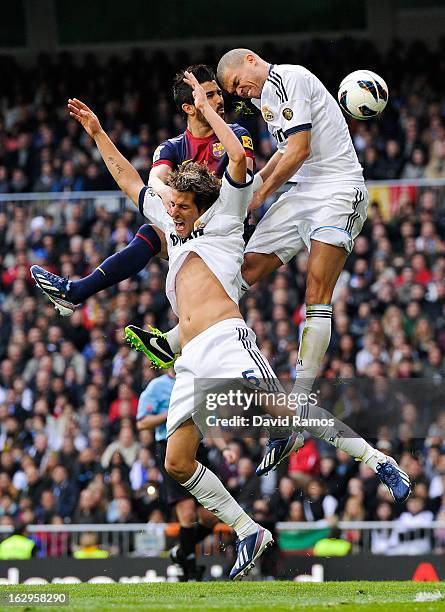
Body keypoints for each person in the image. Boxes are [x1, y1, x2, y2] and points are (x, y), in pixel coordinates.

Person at [66, 72, 410, 576]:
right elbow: (132, 183)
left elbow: (238, 158)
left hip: (228, 341)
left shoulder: (224, 217)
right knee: (176, 463)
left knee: (287, 415)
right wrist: (98, 133)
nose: (174, 216)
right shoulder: (171, 220)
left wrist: (208, 111)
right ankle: (250, 531)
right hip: (190, 360)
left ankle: (378, 460)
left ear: (202, 204)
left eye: (181, 208)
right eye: (173, 209)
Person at [126, 48, 370, 477]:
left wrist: (256, 193)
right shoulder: (265, 99)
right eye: (236, 91)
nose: (241, 94)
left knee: (316, 289)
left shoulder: (289, 78)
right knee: (242, 271)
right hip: (301, 194)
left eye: (240, 85)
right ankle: (176, 338)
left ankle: (299, 397)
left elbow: (298, 149)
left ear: (253, 61)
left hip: (337, 190)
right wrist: (257, 187)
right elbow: (282, 157)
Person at [30, 64, 254, 331]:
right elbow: (140, 182)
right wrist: (99, 135)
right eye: (208, 96)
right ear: (188, 107)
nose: (218, 100)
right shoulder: (172, 149)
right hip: (190, 232)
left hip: (225, 232)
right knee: (152, 233)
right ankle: (77, 292)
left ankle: (171, 339)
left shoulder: (236, 135)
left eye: (217, 94)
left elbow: (241, 173)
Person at [137, 369, 219, 581]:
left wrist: (224, 446)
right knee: (187, 511)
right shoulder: (157, 386)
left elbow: (212, 419)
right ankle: (190, 568)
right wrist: (171, 413)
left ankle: (181, 552)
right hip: (169, 447)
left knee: (212, 516)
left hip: (197, 448)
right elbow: (142, 422)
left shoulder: (198, 384)